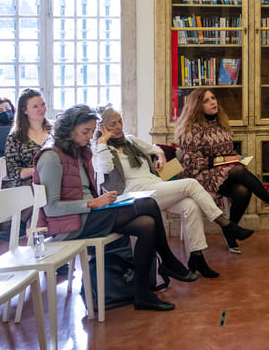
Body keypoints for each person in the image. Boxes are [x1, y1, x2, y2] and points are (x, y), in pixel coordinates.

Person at [34, 104, 198, 312]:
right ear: (68, 130)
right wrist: (92, 203)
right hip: (70, 226)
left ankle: (142, 294)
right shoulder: (51, 157)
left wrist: (97, 202)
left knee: (146, 224)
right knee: (148, 203)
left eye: (92, 131)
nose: (89, 136)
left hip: (88, 216)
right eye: (86, 131)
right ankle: (167, 260)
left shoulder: (79, 152)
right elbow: (51, 209)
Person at [93, 106, 253, 279]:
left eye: (120, 122)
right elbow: (106, 168)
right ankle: (226, 225)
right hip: (133, 195)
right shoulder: (100, 151)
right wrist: (103, 142)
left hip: (154, 186)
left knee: (191, 205)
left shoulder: (130, 140)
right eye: (112, 124)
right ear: (101, 128)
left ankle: (197, 257)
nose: (118, 127)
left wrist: (161, 158)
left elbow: (156, 149)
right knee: (190, 184)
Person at [175, 88, 269, 253]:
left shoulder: (221, 123)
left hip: (222, 174)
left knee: (243, 190)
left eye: (213, 98)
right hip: (199, 177)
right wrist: (222, 162)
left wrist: (236, 159)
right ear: (196, 106)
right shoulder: (192, 129)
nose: (213, 102)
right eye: (206, 100)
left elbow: (227, 151)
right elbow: (190, 164)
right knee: (238, 171)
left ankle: (230, 230)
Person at [3, 89, 52, 191]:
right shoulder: (15, 136)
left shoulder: (55, 130)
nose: (41, 109)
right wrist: (38, 170)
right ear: (24, 110)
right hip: (28, 187)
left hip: (55, 181)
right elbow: (12, 171)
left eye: (43, 104)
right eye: (35, 106)